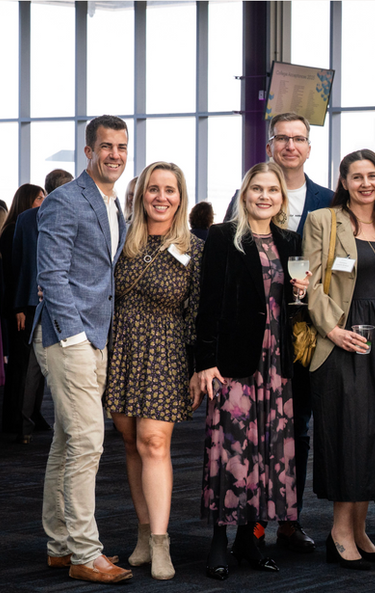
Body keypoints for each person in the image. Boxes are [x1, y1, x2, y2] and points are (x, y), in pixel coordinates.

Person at [196, 162, 310, 581]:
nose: (265, 196)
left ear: (281, 198)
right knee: (231, 449)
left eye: (273, 190)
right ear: (245, 194)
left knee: (267, 450)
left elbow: (295, 307)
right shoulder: (223, 237)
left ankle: (249, 537)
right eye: (257, 189)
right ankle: (219, 539)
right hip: (234, 362)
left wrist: (301, 292)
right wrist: (205, 361)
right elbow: (209, 303)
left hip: (277, 363)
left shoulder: (290, 240)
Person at [32, 114, 132, 584]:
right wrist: (74, 338)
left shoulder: (113, 205)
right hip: (67, 336)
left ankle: (59, 546)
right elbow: (51, 274)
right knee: (89, 440)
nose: (115, 154)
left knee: (67, 441)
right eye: (106, 146)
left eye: (122, 147)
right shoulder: (65, 200)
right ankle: (86, 554)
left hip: (95, 336)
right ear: (88, 151)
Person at [303, 149, 375, 570]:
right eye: (356, 176)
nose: (366, 183)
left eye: (372, 175)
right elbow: (307, 283)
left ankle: (360, 530)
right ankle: (339, 533)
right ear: (343, 182)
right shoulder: (324, 221)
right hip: (342, 338)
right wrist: (332, 329)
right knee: (349, 435)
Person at [104, 161, 204, 580]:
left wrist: (198, 368)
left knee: (154, 443)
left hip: (166, 351)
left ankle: (161, 543)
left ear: (181, 197)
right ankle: (143, 534)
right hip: (122, 350)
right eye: (153, 189)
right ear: (141, 194)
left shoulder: (194, 248)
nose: (161, 197)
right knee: (131, 443)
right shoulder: (120, 240)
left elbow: (198, 313)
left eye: (170, 190)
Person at [262, 112, 335, 552]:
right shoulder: (253, 192)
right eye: (282, 138)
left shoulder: (328, 199)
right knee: (258, 426)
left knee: (300, 429)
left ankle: (291, 519)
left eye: (299, 138)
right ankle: (253, 523)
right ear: (271, 146)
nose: (290, 145)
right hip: (260, 330)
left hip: (310, 332)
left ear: (309, 147)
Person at [12, 170, 74, 444]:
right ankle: (68, 427)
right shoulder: (74, 214)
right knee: (70, 369)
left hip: (30, 301)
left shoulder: (25, 218)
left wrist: (18, 305)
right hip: (67, 303)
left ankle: (25, 429)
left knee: (31, 370)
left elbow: (18, 264)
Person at [0, 184, 46, 438]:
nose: (43, 202)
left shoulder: (33, 227)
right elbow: (14, 273)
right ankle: (16, 422)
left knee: (31, 365)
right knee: (22, 366)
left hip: (28, 304)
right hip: (21, 306)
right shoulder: (14, 229)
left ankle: (29, 416)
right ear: (27, 200)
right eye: (39, 198)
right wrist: (17, 307)